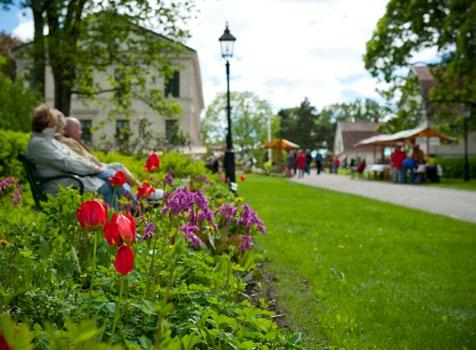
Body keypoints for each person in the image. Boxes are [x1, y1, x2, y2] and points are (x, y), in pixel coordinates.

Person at [56, 116, 141, 188]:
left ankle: (141, 192)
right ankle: (142, 192)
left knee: (117, 167)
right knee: (117, 168)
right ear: (65, 130)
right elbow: (82, 161)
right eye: (77, 129)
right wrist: (98, 166)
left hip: (95, 169)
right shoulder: (67, 143)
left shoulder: (73, 142)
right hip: (91, 172)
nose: (80, 132)